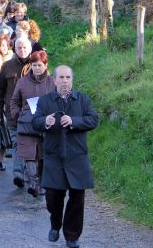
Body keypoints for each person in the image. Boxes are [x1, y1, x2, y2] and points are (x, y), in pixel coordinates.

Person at [33, 65, 98, 247]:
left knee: (77, 198)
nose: (64, 81)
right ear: (54, 80)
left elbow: (93, 119)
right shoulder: (45, 101)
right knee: (53, 197)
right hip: (54, 157)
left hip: (77, 157)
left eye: (68, 78)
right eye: (61, 78)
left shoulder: (82, 99)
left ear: (72, 80)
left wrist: (74, 121)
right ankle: (55, 223)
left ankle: (72, 236)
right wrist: (45, 121)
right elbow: (35, 122)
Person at [10, 50, 56, 197]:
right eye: (34, 65)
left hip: (46, 125)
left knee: (42, 155)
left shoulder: (52, 82)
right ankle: (33, 184)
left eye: (39, 65)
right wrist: (17, 115)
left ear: (46, 65)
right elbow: (14, 101)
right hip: (27, 124)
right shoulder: (22, 82)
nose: (37, 68)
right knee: (29, 155)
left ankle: (41, 184)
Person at [0, 38, 32, 186]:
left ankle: (30, 173)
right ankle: (18, 174)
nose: (22, 50)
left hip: (32, 114)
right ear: (15, 49)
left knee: (30, 143)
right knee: (17, 142)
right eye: (19, 47)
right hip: (12, 115)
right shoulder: (7, 67)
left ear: (30, 48)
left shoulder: (36, 65)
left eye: (25, 47)